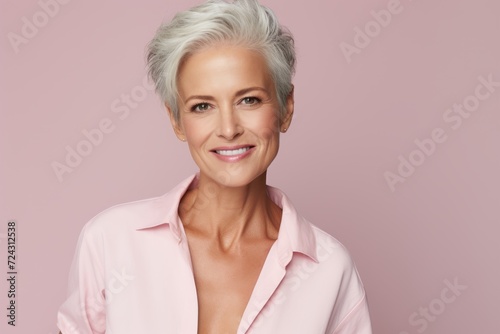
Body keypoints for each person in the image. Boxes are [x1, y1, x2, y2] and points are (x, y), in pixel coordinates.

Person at [56, 0, 372, 333]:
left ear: (286, 107)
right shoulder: (110, 240)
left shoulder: (329, 268)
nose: (228, 128)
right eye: (202, 106)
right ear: (177, 121)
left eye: (248, 100)